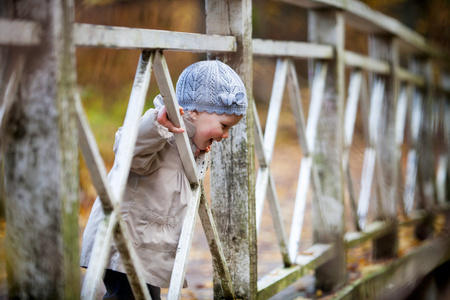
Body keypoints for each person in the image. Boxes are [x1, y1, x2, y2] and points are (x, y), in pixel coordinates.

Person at [80, 60, 248, 299]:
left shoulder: (189, 146)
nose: (225, 135)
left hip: (147, 249)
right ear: (195, 112)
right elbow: (128, 151)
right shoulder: (160, 131)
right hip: (123, 241)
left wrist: (196, 152)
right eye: (224, 126)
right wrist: (156, 125)